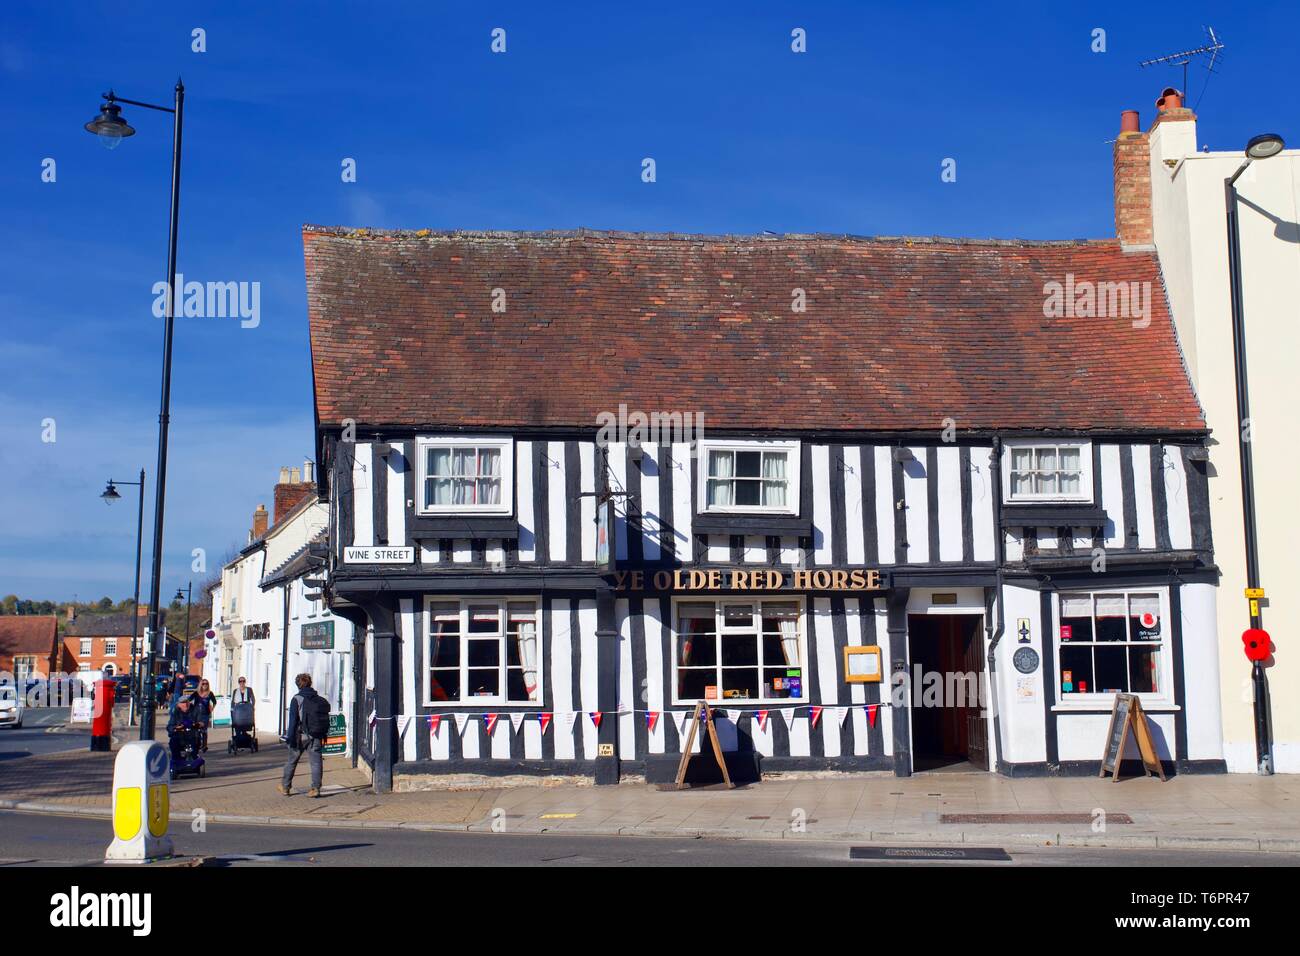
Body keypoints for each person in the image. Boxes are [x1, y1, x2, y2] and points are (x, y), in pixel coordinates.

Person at [279, 673, 330, 798]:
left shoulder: (296, 699)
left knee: (292, 760)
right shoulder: (318, 699)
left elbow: (293, 721)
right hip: (316, 735)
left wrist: (290, 738)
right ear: (310, 683)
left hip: (300, 736)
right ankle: (315, 788)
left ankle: (285, 787)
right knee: (316, 762)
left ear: (298, 685)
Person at [193, 678, 217, 751]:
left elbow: (214, 701)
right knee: (196, 730)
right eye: (203, 684)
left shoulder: (210, 693)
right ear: (200, 685)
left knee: (204, 730)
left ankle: (204, 745)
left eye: (206, 684)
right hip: (196, 714)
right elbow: (189, 700)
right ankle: (197, 744)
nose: (205, 685)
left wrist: (212, 708)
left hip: (205, 714)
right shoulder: (196, 693)